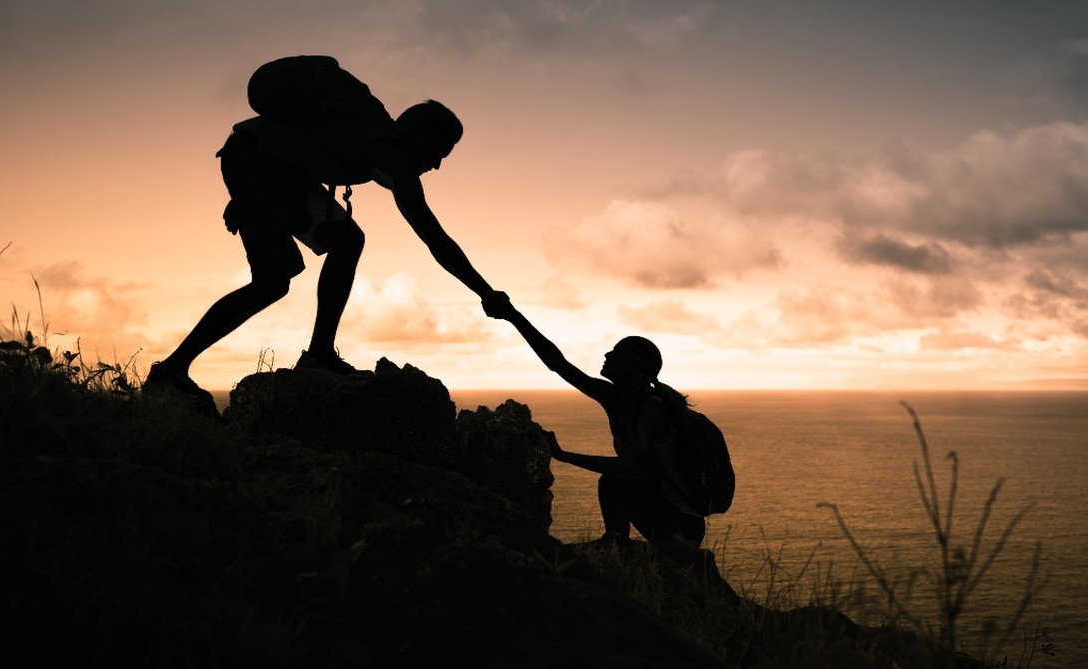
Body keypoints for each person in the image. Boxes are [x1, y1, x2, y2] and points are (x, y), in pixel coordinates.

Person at [144, 74, 509, 410]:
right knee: (273, 281)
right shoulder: (389, 154)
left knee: (348, 240)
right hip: (256, 161)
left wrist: (249, 198)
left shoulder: (366, 133)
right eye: (440, 152)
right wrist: (485, 292)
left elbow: (299, 144)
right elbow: (435, 238)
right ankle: (171, 372)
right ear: (419, 135)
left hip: (277, 170)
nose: (438, 165)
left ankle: (319, 353)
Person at [491, 303, 705, 547]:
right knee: (612, 483)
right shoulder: (612, 397)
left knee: (613, 481)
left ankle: (618, 546)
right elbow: (558, 364)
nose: (607, 355)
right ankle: (616, 544)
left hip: (682, 525)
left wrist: (563, 455)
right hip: (657, 509)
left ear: (636, 367)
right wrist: (513, 317)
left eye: (616, 352)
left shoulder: (653, 407)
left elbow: (628, 465)